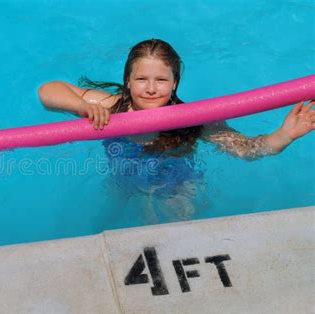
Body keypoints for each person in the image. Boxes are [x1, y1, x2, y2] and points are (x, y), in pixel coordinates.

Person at [38, 39, 314, 223]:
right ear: (127, 81)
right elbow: (48, 90)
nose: (150, 88)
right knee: (103, 223)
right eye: (141, 79)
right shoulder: (111, 107)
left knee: (177, 232)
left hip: (177, 187)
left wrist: (284, 135)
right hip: (122, 181)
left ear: (174, 84)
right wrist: (82, 106)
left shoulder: (194, 120)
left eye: (161, 80)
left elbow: (246, 150)